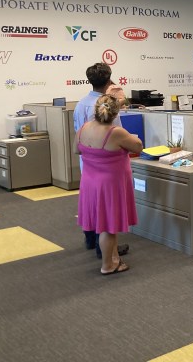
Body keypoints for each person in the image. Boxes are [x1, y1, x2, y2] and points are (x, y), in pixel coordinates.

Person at [75, 95, 143, 275]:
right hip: (109, 185)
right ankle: (108, 265)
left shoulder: (83, 129)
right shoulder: (116, 132)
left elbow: (77, 149)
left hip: (90, 182)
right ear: (115, 113)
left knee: (104, 222)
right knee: (108, 226)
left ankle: (114, 258)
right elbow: (138, 147)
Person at [74, 62, 129, 258]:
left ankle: (90, 239)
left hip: (88, 163)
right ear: (109, 80)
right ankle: (103, 249)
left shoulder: (81, 103)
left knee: (91, 204)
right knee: (105, 208)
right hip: (106, 165)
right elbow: (112, 136)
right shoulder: (105, 107)